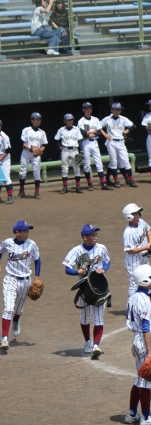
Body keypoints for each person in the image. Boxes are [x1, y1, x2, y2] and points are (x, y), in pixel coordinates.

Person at [124, 264, 151, 425]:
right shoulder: (144, 300)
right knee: (146, 381)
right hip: (145, 339)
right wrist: (150, 351)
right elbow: (145, 326)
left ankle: (131, 413)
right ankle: (146, 417)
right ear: (144, 280)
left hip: (136, 339)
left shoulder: (133, 296)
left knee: (140, 379)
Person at [63, 224, 110, 359]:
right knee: (85, 317)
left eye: (96, 234)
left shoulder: (102, 248)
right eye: (92, 235)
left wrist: (104, 269)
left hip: (100, 288)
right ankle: (87, 341)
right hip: (84, 289)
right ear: (85, 237)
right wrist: (77, 272)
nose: (96, 237)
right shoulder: (76, 251)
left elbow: (107, 262)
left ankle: (96, 345)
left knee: (98, 317)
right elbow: (67, 268)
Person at [0, 221, 41, 351]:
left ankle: (16, 321)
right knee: (8, 309)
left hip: (25, 281)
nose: (27, 233)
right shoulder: (8, 243)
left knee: (18, 310)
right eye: (24, 231)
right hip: (10, 279)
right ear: (17, 232)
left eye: (28, 231)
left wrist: (37, 277)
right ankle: (4, 338)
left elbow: (37, 259)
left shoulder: (31, 244)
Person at [122, 203, 151, 313]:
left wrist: (150, 243)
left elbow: (148, 230)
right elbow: (130, 250)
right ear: (129, 216)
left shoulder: (141, 222)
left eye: (138, 213)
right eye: (135, 214)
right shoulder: (128, 232)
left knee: (149, 279)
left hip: (143, 258)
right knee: (134, 284)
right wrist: (145, 247)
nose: (138, 215)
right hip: (133, 261)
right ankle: (132, 309)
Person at [100, 102, 137, 188]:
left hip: (121, 142)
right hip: (111, 142)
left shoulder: (123, 119)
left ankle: (130, 180)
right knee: (113, 162)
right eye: (116, 110)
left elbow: (133, 126)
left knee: (126, 161)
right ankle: (116, 180)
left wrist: (126, 131)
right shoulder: (107, 119)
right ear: (112, 110)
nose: (117, 111)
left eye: (119, 110)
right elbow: (98, 127)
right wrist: (105, 135)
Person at [78, 102, 109, 190]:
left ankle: (103, 183)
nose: (88, 110)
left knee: (99, 162)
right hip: (85, 143)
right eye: (86, 109)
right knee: (87, 164)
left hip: (94, 142)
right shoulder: (81, 121)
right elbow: (83, 133)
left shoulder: (95, 119)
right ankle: (90, 184)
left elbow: (99, 132)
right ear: (83, 110)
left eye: (90, 108)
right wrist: (93, 131)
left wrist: (90, 133)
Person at [19, 112, 48, 199]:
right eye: (36, 119)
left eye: (39, 120)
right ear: (32, 120)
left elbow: (44, 145)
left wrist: (40, 150)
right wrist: (30, 148)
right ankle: (21, 191)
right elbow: (22, 142)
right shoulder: (26, 130)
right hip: (26, 153)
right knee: (22, 172)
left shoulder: (42, 132)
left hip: (36, 155)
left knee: (36, 172)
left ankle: (37, 192)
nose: (38, 121)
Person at [54, 113, 85, 194]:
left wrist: (81, 151)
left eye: (71, 120)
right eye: (68, 120)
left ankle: (78, 187)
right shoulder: (61, 130)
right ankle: (65, 187)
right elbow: (56, 139)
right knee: (64, 168)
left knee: (76, 168)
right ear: (65, 121)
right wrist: (59, 146)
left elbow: (80, 140)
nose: (70, 121)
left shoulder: (76, 129)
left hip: (74, 149)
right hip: (65, 150)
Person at [0, 120, 11, 204]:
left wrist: (0, 159)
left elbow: (8, 150)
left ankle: (10, 197)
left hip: (5, 158)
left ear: (1, 126)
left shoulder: (4, 136)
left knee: (6, 177)